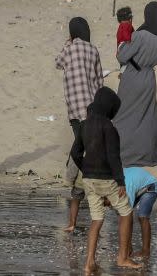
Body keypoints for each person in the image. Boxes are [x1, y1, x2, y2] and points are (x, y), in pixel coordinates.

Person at [70, 87, 142, 273]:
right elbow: (113, 157)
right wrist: (120, 182)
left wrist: (85, 168)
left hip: (88, 180)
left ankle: (89, 263)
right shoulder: (109, 127)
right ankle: (123, 257)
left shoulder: (84, 125)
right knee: (126, 213)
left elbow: (75, 152)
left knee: (97, 219)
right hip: (107, 179)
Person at [55, 16, 103, 231]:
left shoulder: (70, 48)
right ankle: (80, 177)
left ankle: (71, 176)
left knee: (79, 142)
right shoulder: (93, 50)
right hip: (92, 104)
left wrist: (68, 43)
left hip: (74, 106)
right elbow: (99, 80)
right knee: (86, 142)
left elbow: (57, 63)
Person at [114, 2, 157, 167]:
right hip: (149, 78)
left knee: (124, 116)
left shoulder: (140, 36)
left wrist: (122, 43)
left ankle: (123, 153)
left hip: (133, 77)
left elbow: (122, 56)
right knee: (148, 118)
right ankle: (150, 155)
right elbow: (156, 60)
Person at [124, 166, 157, 259]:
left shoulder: (127, 186)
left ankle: (146, 251)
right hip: (137, 185)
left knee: (142, 217)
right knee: (123, 215)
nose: (106, 206)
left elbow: (128, 216)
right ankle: (128, 248)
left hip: (150, 186)